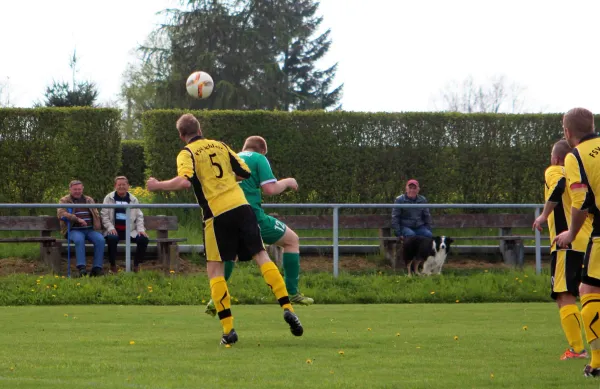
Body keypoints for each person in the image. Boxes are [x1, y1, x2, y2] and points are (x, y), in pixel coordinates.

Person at [146, 113, 303, 345]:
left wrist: (158, 185)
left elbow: (184, 181)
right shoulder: (221, 145)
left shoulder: (187, 153)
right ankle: (288, 307)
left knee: (215, 270)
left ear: (181, 135)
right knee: (262, 256)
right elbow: (244, 173)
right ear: (199, 128)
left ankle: (228, 331)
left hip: (216, 215)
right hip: (242, 207)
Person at [204, 136, 314, 317]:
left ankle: (215, 299)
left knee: (231, 256)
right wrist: (288, 181)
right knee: (292, 241)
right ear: (262, 150)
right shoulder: (258, 158)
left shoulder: (231, 157)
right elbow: (270, 189)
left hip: (226, 214)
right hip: (252, 216)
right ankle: (292, 293)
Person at [533, 139, 591, 361]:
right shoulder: (581, 173)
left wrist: (544, 215)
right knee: (590, 294)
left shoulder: (555, 169)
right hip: (588, 241)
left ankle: (577, 350)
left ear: (555, 157)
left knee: (564, 295)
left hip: (566, 243)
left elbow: (557, 186)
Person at [554, 107, 600, 378]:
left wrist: (571, 233)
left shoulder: (576, 156)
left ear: (567, 132)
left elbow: (581, 201)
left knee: (589, 289)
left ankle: (596, 362)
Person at [101, 176, 149, 273]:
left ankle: (136, 265)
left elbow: (139, 216)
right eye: (119, 185)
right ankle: (113, 265)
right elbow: (104, 215)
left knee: (143, 239)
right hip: (114, 230)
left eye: (124, 184)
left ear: (128, 186)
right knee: (112, 238)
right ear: (115, 186)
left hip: (130, 230)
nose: (121, 187)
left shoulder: (133, 199)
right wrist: (110, 228)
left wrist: (141, 230)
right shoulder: (109, 198)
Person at [57, 180, 105, 277]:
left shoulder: (89, 200)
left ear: (82, 189)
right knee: (79, 239)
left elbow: (96, 214)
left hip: (90, 229)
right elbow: (61, 213)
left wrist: (99, 225)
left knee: (100, 240)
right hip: (73, 229)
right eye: (75, 189)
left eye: (79, 189)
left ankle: (97, 268)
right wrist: (77, 219)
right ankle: (81, 268)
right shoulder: (64, 200)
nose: (77, 191)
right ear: (70, 189)